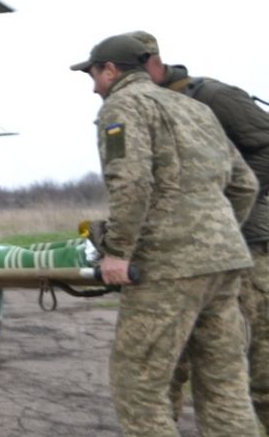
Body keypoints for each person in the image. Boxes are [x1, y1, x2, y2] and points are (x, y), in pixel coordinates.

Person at [71, 33, 260, 435]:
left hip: (168, 267)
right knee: (225, 385)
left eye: (93, 74)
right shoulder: (193, 108)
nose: (92, 86)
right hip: (226, 263)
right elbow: (245, 185)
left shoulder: (122, 106)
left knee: (138, 387)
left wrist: (118, 252)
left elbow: (132, 182)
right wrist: (218, 235)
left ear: (111, 70)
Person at [128, 30, 269, 428]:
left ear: (153, 64)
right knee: (165, 371)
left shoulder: (213, 97)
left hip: (245, 248)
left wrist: (213, 205)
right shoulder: (142, 107)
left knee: (257, 373)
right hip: (173, 256)